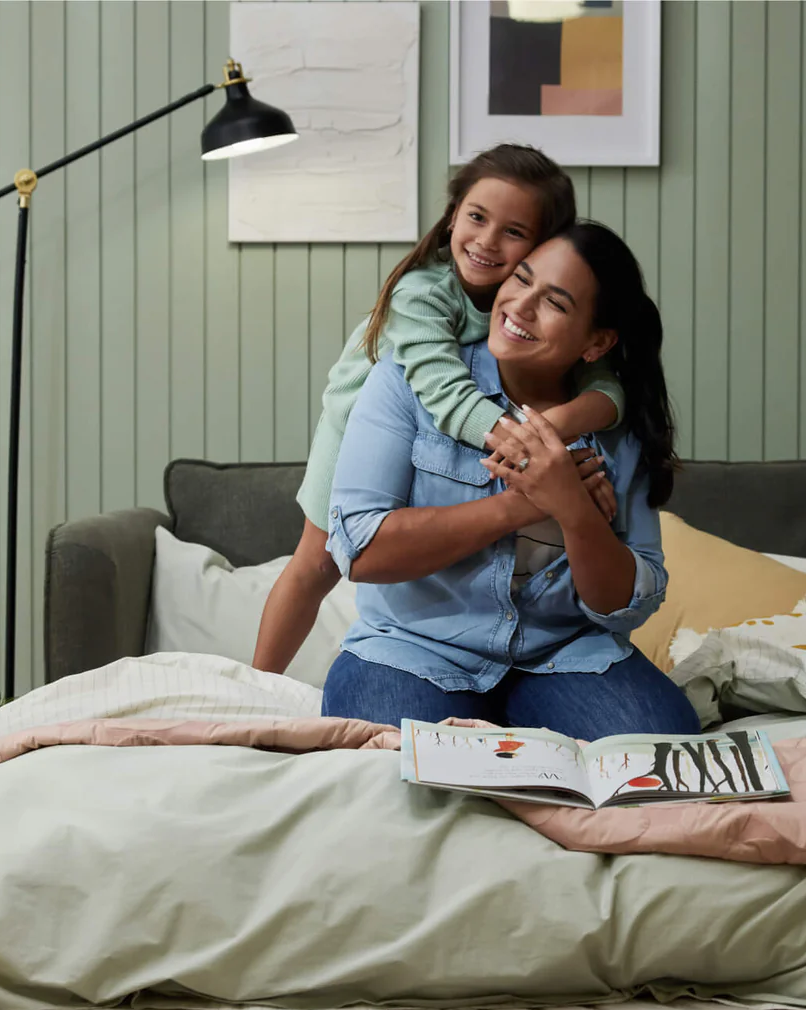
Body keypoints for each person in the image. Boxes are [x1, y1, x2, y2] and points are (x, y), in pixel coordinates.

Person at [253, 145, 626, 675]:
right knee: (316, 563)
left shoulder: (521, 301)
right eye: (476, 217)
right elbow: (445, 394)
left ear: (541, 246)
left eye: (514, 232)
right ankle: (257, 686)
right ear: (453, 214)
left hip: (459, 425)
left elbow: (608, 389)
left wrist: (560, 435)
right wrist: (535, 456)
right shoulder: (422, 294)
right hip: (363, 416)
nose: (487, 242)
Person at [320, 222, 701, 740]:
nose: (520, 305)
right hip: (413, 650)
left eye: (555, 303)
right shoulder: (411, 382)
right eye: (520, 280)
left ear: (597, 342)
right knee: (393, 773)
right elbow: (360, 552)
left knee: (662, 751)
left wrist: (574, 510)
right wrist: (524, 506)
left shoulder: (613, 428)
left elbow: (622, 605)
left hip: (565, 656)